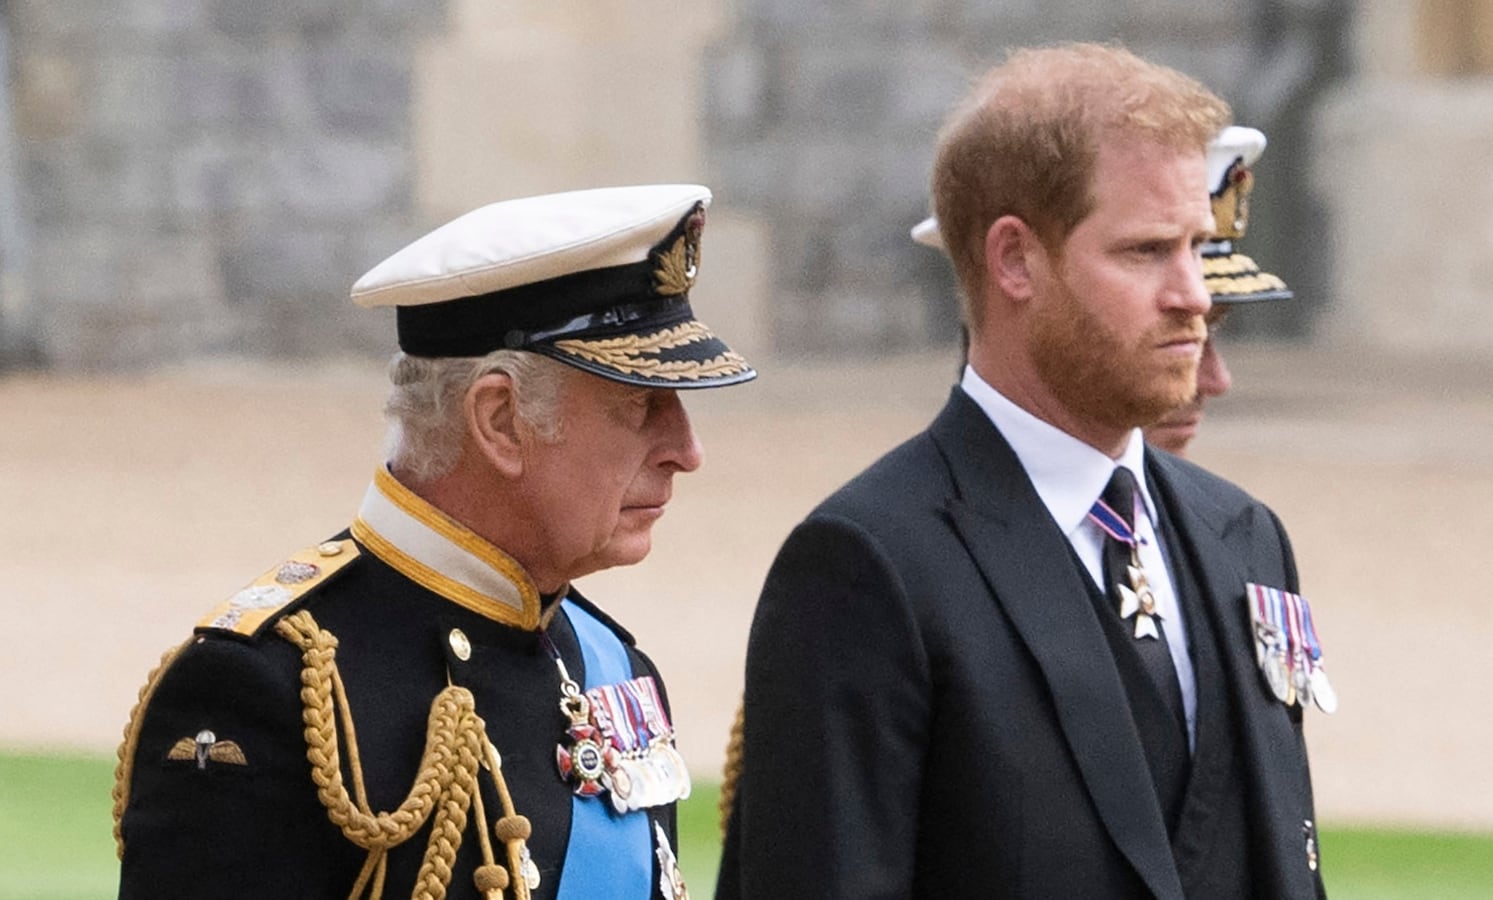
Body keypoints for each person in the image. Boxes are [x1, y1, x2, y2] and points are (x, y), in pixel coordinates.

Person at [719, 44, 1330, 899]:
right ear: (1014, 260)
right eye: (1148, 251)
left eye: (1198, 246)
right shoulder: (868, 565)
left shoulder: (1246, 538)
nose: (1192, 291)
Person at [113, 184, 754, 900]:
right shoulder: (268, 689)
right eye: (640, 404)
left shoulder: (611, 664)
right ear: (501, 421)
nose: (685, 450)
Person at [911, 125, 1294, 457]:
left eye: (1210, 331)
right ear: (1016, 265)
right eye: (1170, 323)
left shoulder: (1223, 527)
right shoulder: (892, 535)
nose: (1215, 381)